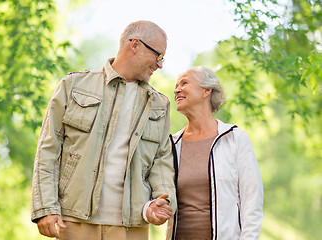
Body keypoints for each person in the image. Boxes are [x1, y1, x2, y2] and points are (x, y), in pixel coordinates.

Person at [31, 20, 177, 240]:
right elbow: (48, 150)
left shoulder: (160, 105)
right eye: (158, 56)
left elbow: (162, 162)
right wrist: (45, 207)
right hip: (74, 221)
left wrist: (163, 201)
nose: (160, 65)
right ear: (134, 44)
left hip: (132, 226)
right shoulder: (73, 86)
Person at [167, 66, 263, 240]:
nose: (176, 90)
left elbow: (252, 201)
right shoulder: (172, 144)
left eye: (184, 83)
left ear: (206, 90)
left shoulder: (234, 138)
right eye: (176, 85)